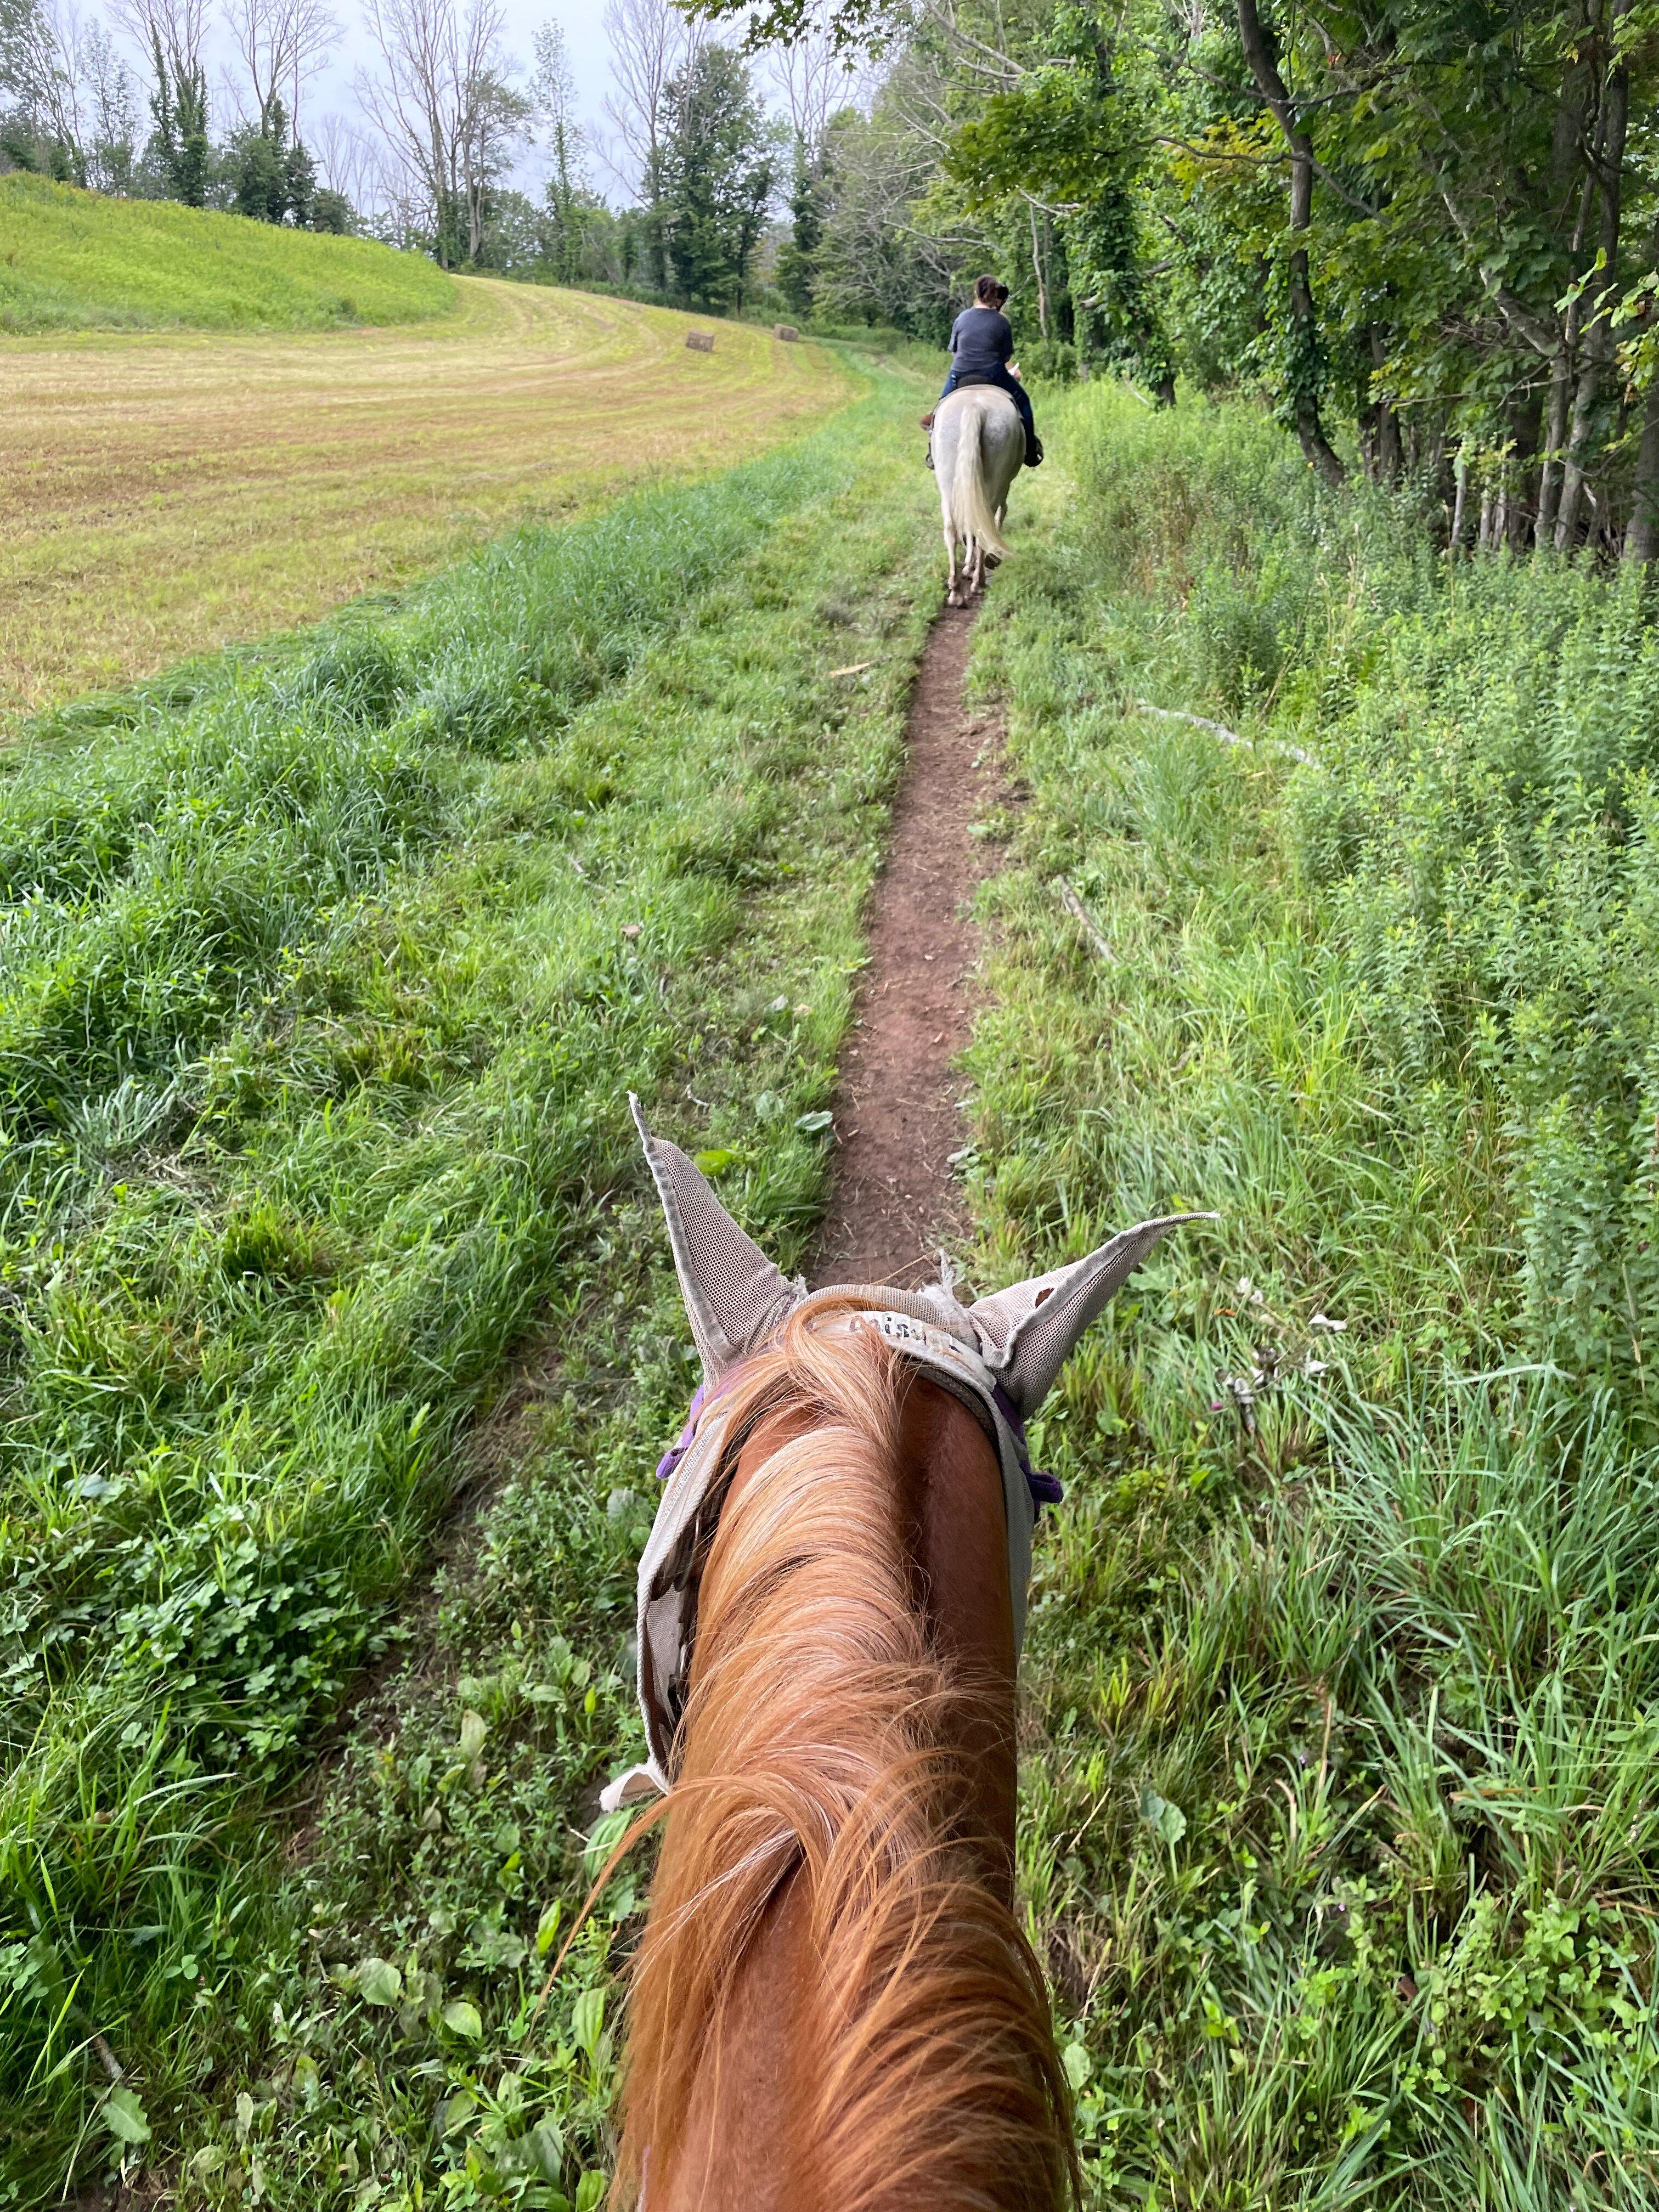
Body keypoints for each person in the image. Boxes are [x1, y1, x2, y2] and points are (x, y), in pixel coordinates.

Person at [922, 274, 1043, 469]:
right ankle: (1030, 450)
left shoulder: (961, 318)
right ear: (995, 296)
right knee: (1024, 403)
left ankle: (933, 451)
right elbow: (1005, 358)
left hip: (959, 375)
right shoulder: (1001, 321)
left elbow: (955, 352)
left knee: (939, 410)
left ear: (976, 294)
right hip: (993, 375)